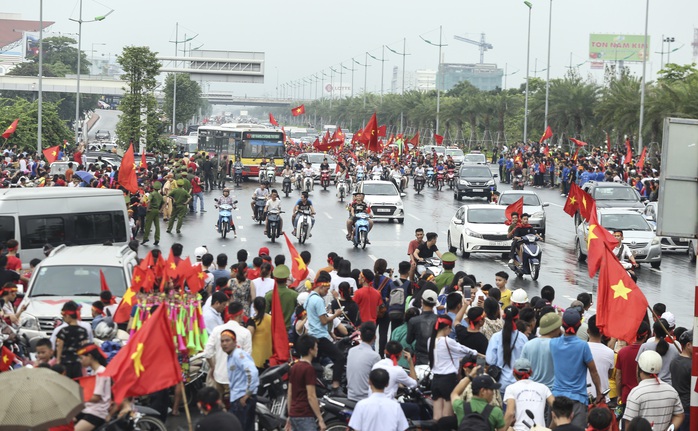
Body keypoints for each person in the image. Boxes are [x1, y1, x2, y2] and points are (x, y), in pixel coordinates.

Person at [549, 308, 603, 429]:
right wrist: (599, 392)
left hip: (557, 397)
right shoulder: (583, 346)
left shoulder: (553, 344)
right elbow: (593, 371)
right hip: (578, 400)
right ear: (579, 325)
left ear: (562, 324)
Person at [429, 314, 479, 420]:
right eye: (450, 328)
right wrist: (478, 354)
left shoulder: (430, 340)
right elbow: (466, 350)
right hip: (448, 380)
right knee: (448, 416)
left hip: (435, 379)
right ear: (446, 327)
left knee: (437, 417)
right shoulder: (447, 341)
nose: (451, 331)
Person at [304, 273, 345, 395]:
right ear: (321, 287)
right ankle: (335, 386)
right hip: (320, 337)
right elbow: (323, 321)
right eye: (326, 289)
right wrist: (336, 315)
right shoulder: (318, 300)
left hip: (312, 335)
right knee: (339, 357)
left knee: (315, 362)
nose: (327, 292)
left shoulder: (310, 297)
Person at [623, 350, 684, 431]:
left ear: (639, 369)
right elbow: (680, 415)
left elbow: (629, 424)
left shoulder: (636, 393)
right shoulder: (671, 391)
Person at [203, 302, 253, 398]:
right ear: (241, 314)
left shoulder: (217, 330)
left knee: (218, 407)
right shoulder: (245, 333)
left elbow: (208, 353)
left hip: (218, 376)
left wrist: (213, 367)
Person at [486, 306, 528, 395]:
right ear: (518, 318)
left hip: (501, 384)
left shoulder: (496, 337)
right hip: (518, 385)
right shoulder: (523, 338)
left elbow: (490, 360)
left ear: (503, 318)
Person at [221, 329, 259, 431]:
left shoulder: (238, 355)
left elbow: (252, 372)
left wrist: (247, 394)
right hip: (239, 398)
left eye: (227, 340)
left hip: (242, 399)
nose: (224, 344)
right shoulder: (231, 356)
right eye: (222, 341)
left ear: (235, 342)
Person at [286, 334, 325, 431]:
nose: (317, 349)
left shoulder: (294, 367)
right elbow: (311, 396)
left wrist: (289, 415)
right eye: (316, 347)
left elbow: (290, 393)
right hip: (305, 414)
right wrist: (320, 419)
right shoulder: (309, 369)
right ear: (310, 350)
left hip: (294, 414)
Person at [503, 358, 554, 431]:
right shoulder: (543, 387)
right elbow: (558, 409)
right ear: (531, 373)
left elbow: (510, 413)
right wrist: (549, 429)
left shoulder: (511, 388)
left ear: (514, 373)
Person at [520, 311, 561, 390]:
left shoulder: (528, 344)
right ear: (555, 328)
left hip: (531, 390)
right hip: (551, 391)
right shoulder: (557, 346)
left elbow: (521, 368)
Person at [74, 344, 111, 431]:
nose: (80, 361)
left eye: (81, 358)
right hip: (88, 409)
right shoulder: (94, 372)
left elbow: (96, 398)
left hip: (96, 413)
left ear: (89, 356)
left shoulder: (101, 372)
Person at [615, 321, 650, 407]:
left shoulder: (622, 352)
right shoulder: (649, 353)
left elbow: (618, 376)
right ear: (646, 336)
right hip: (644, 395)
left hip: (627, 395)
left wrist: (619, 395)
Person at [636, 318, 680, 384]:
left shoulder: (645, 347)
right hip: (668, 386)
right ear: (667, 331)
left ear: (654, 331)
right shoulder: (675, 349)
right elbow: (677, 371)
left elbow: (638, 370)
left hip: (649, 385)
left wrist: (641, 385)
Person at [347, 322, 381, 402]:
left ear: (361, 336)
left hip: (350, 395)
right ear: (375, 337)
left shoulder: (351, 351)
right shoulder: (375, 356)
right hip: (365, 398)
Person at [55, 301, 89, 378]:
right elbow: (85, 346)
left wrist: (58, 360)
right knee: (77, 383)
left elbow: (59, 346)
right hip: (78, 363)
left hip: (65, 363)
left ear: (68, 316)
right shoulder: (83, 331)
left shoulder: (63, 331)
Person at [586, 315, 615, 401]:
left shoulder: (580, 348)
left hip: (583, 396)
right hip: (602, 397)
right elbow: (610, 373)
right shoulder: (609, 352)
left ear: (588, 331)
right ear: (602, 332)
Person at [406, 290, 439, 365]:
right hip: (437, 357)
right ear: (434, 304)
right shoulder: (440, 320)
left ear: (422, 301)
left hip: (420, 357)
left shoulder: (413, 321)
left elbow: (409, 340)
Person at [263, 265, 298, 330]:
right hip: (290, 330)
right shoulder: (295, 295)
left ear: (275, 278)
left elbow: (265, 315)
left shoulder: (269, 295)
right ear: (287, 278)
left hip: (275, 330)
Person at [671, 330, 693, 431]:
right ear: (688, 345)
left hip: (677, 406)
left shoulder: (674, 361)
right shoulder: (693, 366)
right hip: (689, 407)